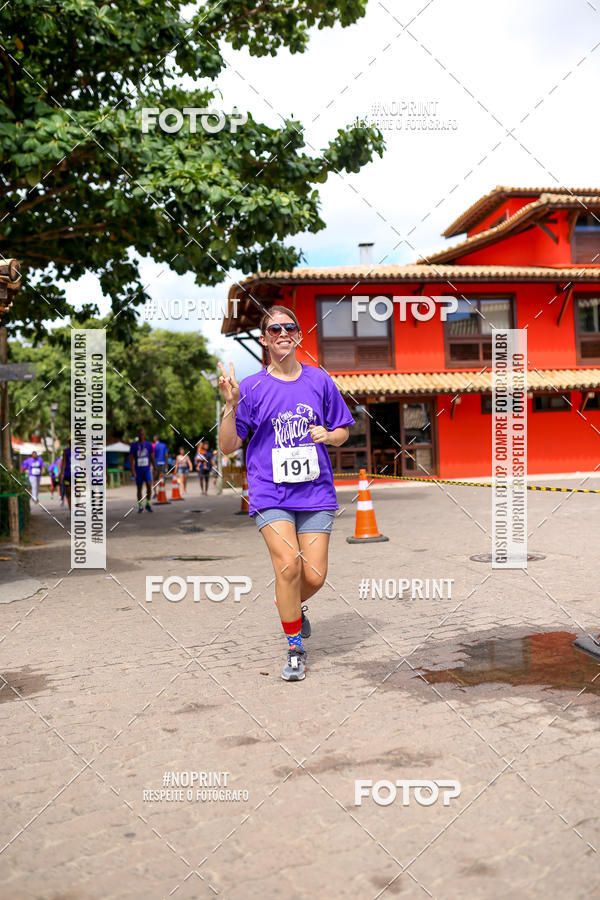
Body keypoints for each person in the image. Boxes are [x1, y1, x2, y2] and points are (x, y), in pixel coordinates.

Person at [218, 305, 354, 682]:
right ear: (264, 339)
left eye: (289, 327)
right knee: (288, 566)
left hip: (315, 492)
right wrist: (230, 405)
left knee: (315, 576)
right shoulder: (251, 387)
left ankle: (289, 603)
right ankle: (295, 648)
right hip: (270, 492)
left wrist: (329, 435)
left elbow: (343, 430)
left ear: (298, 335)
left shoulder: (319, 380)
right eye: (274, 329)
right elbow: (228, 446)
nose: (282, 334)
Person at [129, 428, 155, 513]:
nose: (142, 436)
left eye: (143, 434)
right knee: (139, 488)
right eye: (140, 434)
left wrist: (155, 467)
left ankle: (147, 504)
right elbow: (131, 458)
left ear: (145, 435)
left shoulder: (148, 444)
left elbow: (151, 456)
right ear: (138, 435)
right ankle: (140, 506)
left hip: (147, 469)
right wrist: (132, 470)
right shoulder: (134, 445)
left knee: (149, 487)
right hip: (138, 470)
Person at [58, 439, 72, 510]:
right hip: (68, 475)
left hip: (77, 475)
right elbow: (63, 464)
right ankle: (71, 510)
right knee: (69, 493)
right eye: (70, 441)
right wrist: (61, 474)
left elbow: (82, 462)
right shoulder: (65, 451)